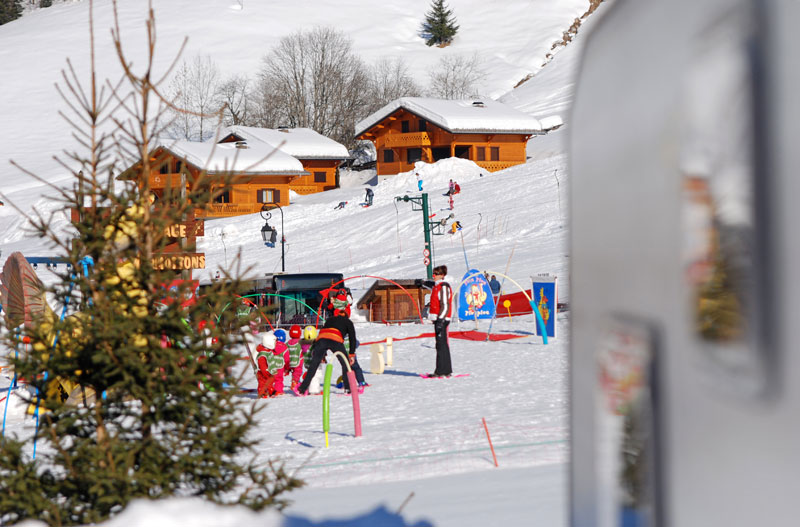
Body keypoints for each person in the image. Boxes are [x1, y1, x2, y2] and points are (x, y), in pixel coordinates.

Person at [294, 298, 358, 395]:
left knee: (314, 365)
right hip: (336, 339)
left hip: (322, 339)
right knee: (345, 364)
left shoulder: (330, 319)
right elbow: (352, 339)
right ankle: (348, 389)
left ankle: (302, 389)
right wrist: (351, 354)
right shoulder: (348, 322)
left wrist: (322, 354)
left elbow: (323, 332)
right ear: (347, 314)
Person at [427, 265, 453, 377]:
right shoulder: (436, 286)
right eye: (433, 273)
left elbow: (445, 305)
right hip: (438, 318)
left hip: (441, 319)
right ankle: (445, 370)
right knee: (441, 344)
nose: (434, 276)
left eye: (436, 274)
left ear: (442, 275)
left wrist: (441, 320)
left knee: (441, 345)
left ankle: (441, 370)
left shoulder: (443, 287)